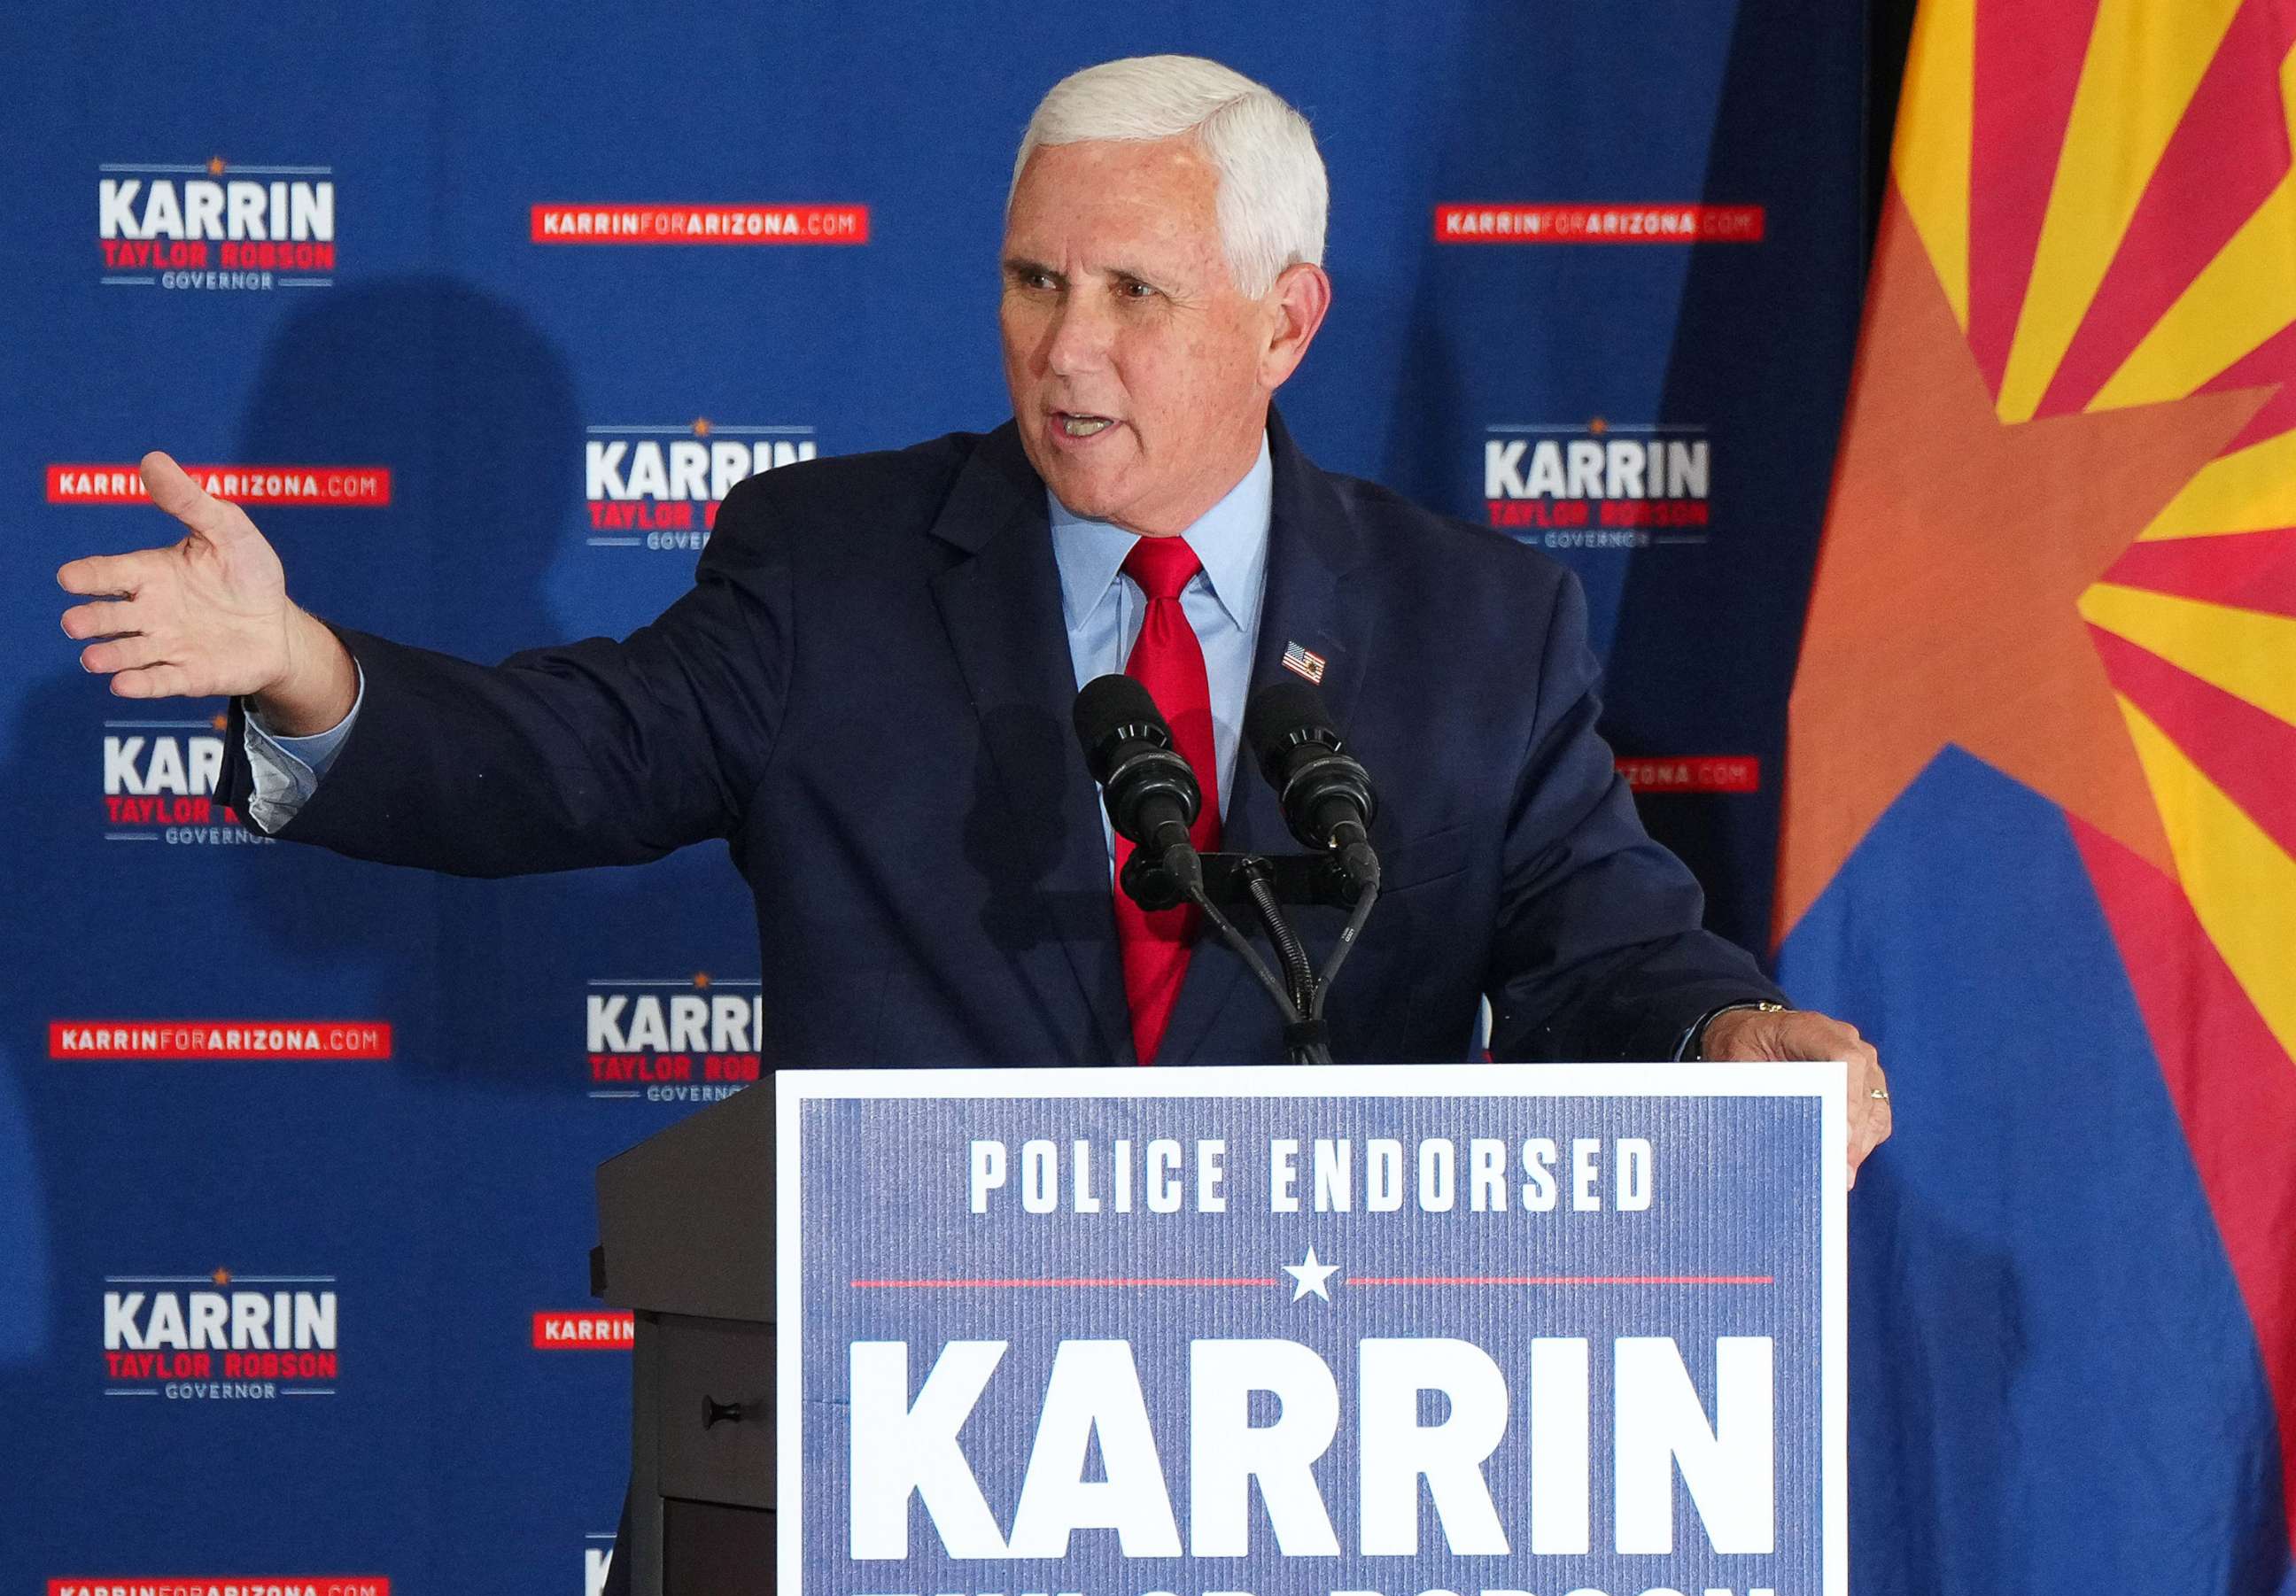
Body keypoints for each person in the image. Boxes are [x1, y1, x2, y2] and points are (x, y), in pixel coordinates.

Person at [58, 54, 1889, 1174]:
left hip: (1315, 1463)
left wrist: (1725, 1041)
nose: (1065, 349)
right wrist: (302, 668)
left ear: (1287, 320)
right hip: (904, 1461)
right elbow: (572, 757)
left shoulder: (1476, 626)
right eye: (1032, 279)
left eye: (1132, 292)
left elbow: (1604, 947)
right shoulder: (831, 565)